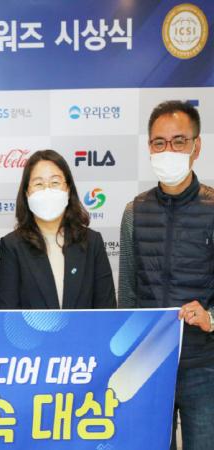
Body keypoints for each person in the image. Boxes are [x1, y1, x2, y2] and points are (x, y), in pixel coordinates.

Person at [118, 100, 214, 450]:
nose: (168, 150)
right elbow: (127, 290)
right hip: (149, 364)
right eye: (159, 142)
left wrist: (211, 318)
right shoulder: (134, 210)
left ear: (196, 147)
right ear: (149, 147)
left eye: (178, 141)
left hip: (203, 365)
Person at [0, 149, 116, 309]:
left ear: (68, 190)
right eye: (38, 184)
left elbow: (106, 310)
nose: (47, 190)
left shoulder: (92, 242)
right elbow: (8, 314)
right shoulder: (12, 246)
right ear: (27, 193)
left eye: (55, 182)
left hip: (85, 327)